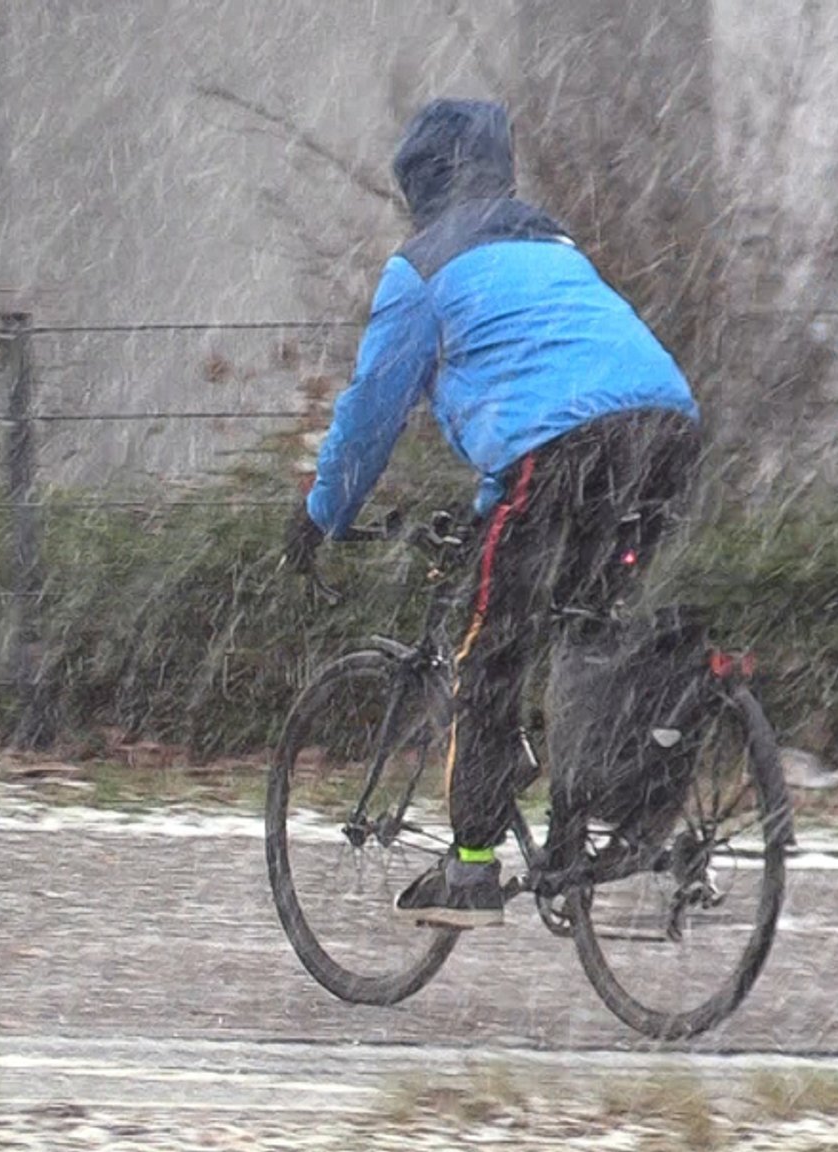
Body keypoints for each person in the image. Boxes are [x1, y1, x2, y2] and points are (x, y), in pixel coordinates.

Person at [284, 98, 703, 929]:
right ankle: (628, 812)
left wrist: (321, 512)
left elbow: (373, 412)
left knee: (492, 652)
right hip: (666, 432)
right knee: (592, 625)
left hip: (561, 453)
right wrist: (492, 508)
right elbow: (538, 381)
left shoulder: (423, 271)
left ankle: (472, 868)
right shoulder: (553, 245)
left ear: (418, 184)